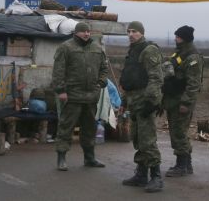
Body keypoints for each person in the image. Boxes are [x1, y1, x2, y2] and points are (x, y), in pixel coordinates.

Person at [52, 21, 109, 171]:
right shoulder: (66, 47)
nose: (86, 33)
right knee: (66, 127)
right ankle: (61, 158)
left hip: (91, 96)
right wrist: (61, 90)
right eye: (83, 31)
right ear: (76, 32)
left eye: (88, 31)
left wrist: (100, 84)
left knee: (90, 129)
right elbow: (58, 71)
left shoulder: (97, 48)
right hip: (72, 96)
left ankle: (89, 158)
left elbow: (104, 68)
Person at [119, 21, 164, 193]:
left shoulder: (149, 49)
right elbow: (129, 80)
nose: (131, 34)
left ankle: (156, 177)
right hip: (133, 100)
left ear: (142, 33)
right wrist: (124, 102)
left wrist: (151, 102)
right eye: (129, 31)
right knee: (137, 138)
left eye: (135, 31)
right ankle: (141, 174)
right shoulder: (132, 50)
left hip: (145, 101)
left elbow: (156, 78)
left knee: (147, 140)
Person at [161, 25, 203, 177]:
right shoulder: (180, 53)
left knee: (179, 133)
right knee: (178, 132)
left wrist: (186, 103)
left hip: (181, 101)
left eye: (177, 37)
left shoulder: (192, 57)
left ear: (184, 38)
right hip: (173, 100)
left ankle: (182, 166)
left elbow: (193, 84)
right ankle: (187, 165)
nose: (175, 39)